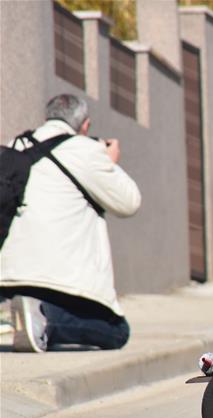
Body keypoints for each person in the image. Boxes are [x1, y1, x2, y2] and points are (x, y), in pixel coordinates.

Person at [1, 94, 141, 352]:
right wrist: (109, 162)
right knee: (116, 331)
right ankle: (45, 320)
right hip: (58, 278)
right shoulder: (85, 150)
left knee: (32, 303)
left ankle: (19, 318)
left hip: (11, 275)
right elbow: (129, 202)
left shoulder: (16, 145)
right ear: (85, 125)